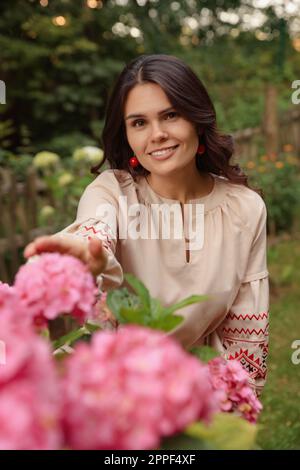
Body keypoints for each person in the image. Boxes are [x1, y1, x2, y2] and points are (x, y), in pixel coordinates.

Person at [24, 54, 269, 397]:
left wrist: (233, 405)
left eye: (170, 115)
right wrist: (86, 254)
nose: (157, 134)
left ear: (197, 118)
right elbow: (96, 228)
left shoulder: (244, 208)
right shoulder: (113, 192)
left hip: (202, 391)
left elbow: (246, 333)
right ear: (126, 134)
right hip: (117, 388)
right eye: (139, 123)